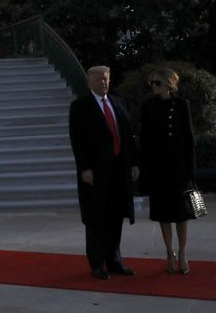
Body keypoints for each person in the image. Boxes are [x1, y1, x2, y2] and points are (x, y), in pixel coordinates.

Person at [68, 66, 139, 280]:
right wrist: (85, 168)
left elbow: (127, 135)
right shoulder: (80, 106)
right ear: (89, 81)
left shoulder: (118, 102)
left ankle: (114, 260)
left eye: (106, 78)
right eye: (99, 79)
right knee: (96, 217)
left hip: (119, 170)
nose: (103, 82)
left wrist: (134, 163)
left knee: (115, 216)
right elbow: (77, 141)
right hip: (96, 172)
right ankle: (97, 263)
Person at [139, 68, 196, 274]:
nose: (154, 86)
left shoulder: (181, 105)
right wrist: (143, 168)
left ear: (169, 84)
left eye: (157, 82)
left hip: (178, 165)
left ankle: (182, 252)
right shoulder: (148, 106)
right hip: (158, 166)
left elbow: (189, 138)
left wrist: (191, 171)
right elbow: (144, 138)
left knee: (182, 213)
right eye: (152, 83)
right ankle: (169, 252)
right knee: (163, 213)